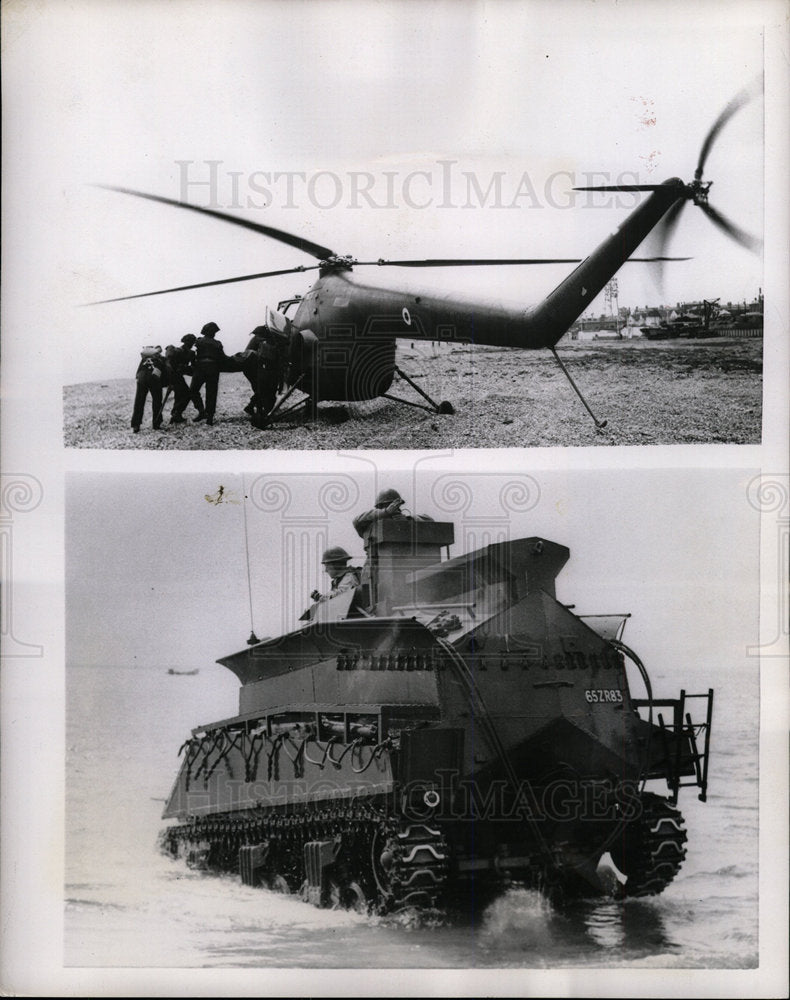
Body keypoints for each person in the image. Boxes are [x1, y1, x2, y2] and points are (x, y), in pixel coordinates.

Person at [189, 321, 226, 426]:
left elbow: (192, 354)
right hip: (213, 369)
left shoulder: (199, 342)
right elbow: (222, 358)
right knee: (211, 392)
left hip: (200, 368)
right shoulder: (218, 343)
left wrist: (192, 365)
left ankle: (201, 411)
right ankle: (209, 417)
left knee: (193, 390)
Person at [167, 334, 205, 424]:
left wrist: (188, 369)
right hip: (174, 376)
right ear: (185, 341)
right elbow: (170, 364)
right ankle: (176, 414)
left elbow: (192, 367)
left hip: (179, 376)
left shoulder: (191, 353)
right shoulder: (177, 351)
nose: (191, 344)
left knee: (180, 395)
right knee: (186, 394)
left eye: (192, 342)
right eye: (189, 341)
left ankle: (176, 415)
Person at [131, 346, 167, 433]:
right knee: (157, 401)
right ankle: (156, 424)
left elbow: (138, 372)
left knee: (139, 401)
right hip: (154, 378)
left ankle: (136, 425)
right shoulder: (161, 359)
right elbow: (165, 372)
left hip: (142, 377)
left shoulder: (144, 359)